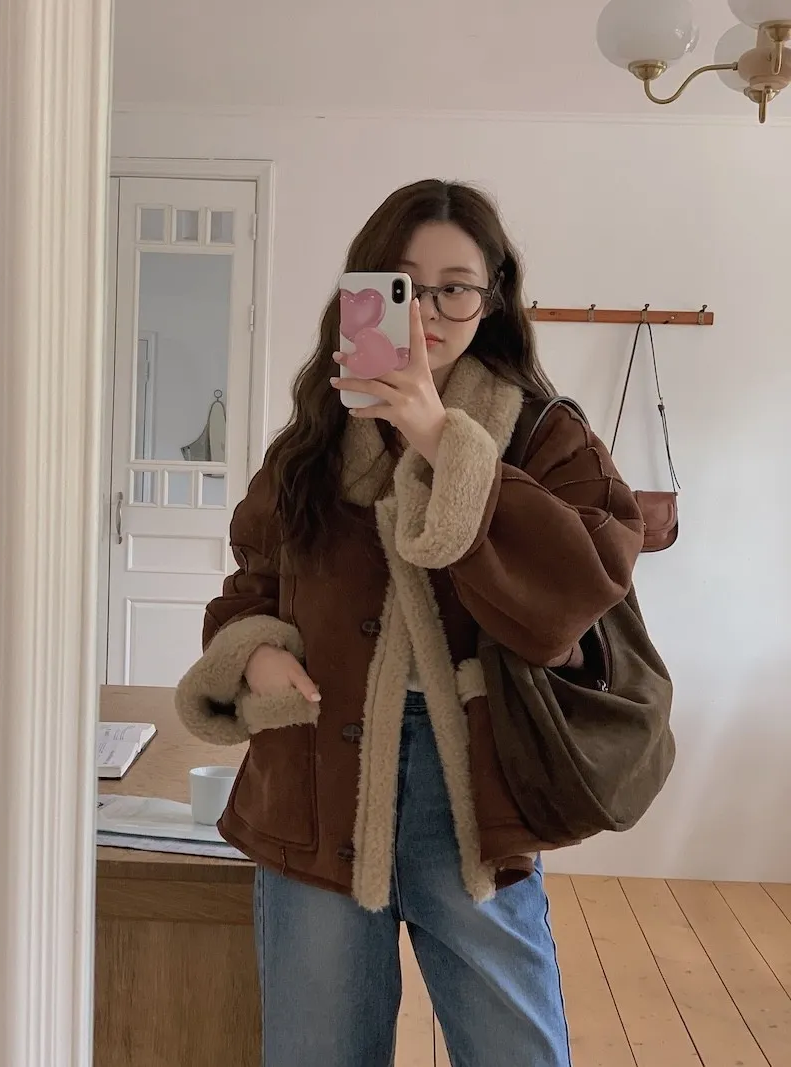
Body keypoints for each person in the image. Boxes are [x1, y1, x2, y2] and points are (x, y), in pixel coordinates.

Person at [176, 179, 645, 1067]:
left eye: (455, 287)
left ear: (492, 297)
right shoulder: (313, 440)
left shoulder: (545, 434)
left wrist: (442, 439)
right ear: (361, 290)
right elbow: (251, 581)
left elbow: (580, 592)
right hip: (315, 778)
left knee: (517, 1052)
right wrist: (255, 654)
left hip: (472, 794)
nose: (427, 311)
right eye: (402, 284)